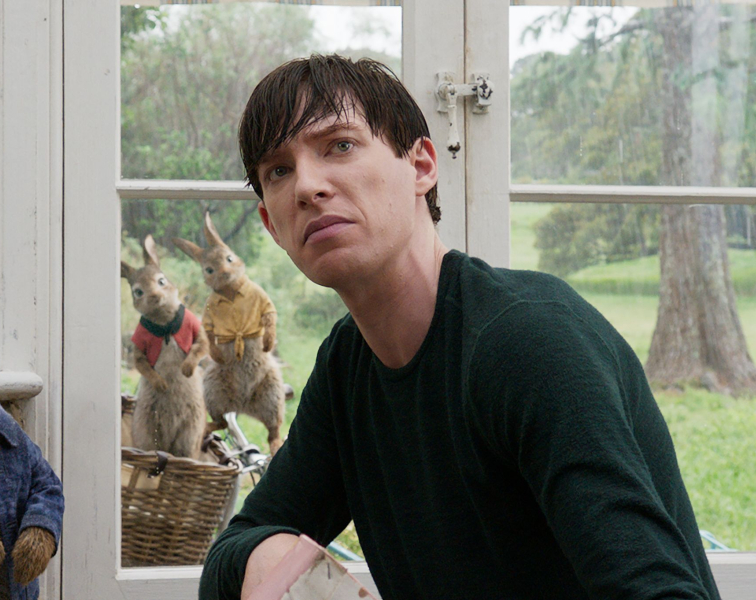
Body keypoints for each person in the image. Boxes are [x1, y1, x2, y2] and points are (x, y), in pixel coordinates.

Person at [198, 55, 721, 600]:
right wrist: (268, 554)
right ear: (271, 224)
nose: (307, 186)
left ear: (422, 165)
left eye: (340, 145)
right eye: (278, 171)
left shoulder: (526, 341)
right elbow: (233, 551)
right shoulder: (347, 365)